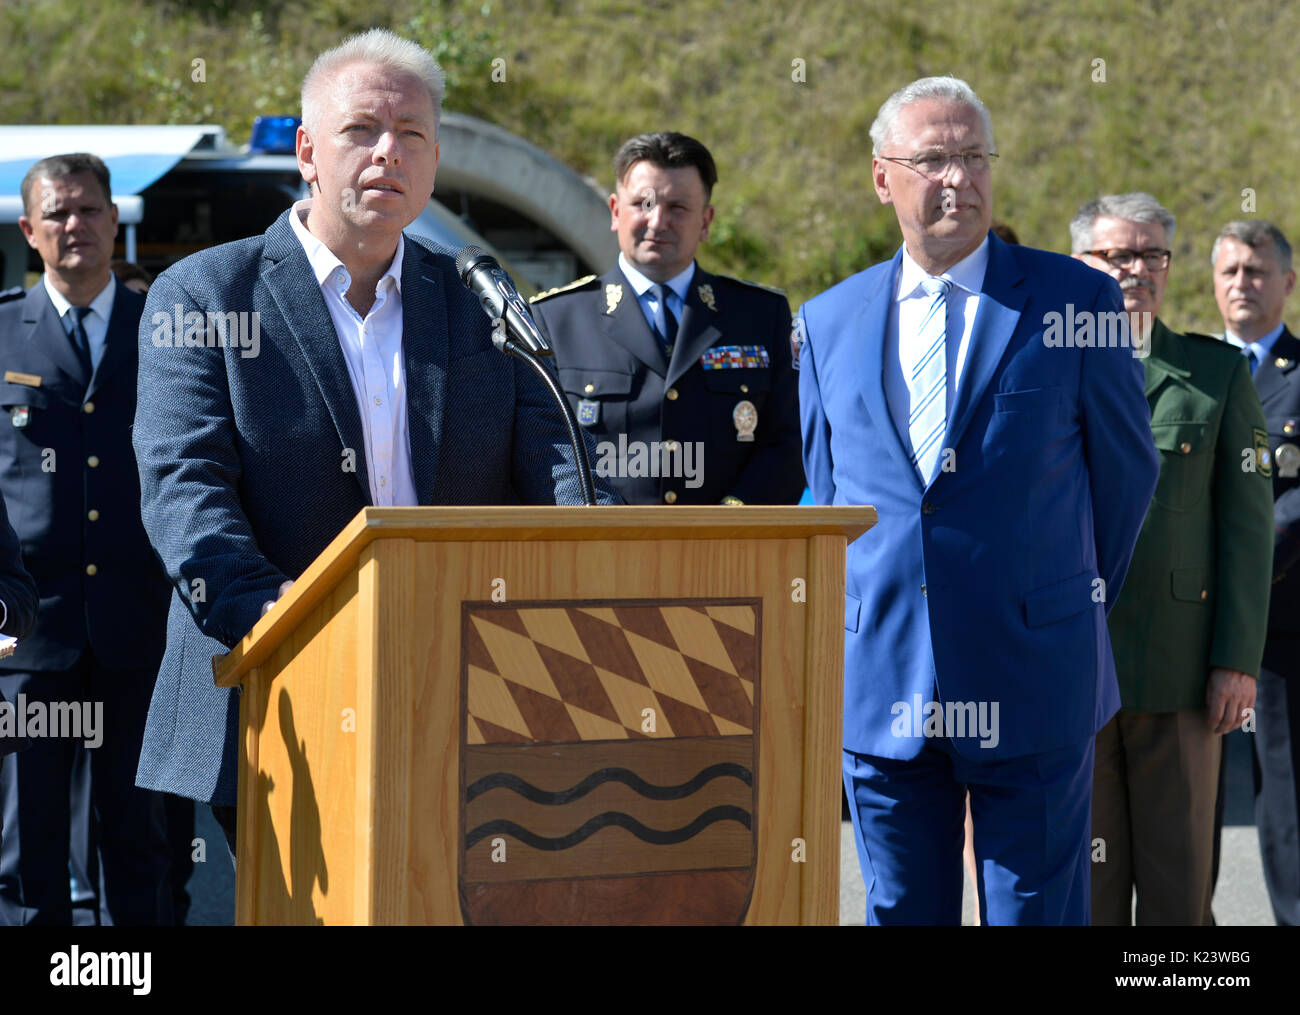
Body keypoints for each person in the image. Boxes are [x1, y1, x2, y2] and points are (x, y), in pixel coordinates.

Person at [132, 29, 617, 856]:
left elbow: (561, 465)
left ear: (433, 164)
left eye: (413, 136)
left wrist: (604, 573)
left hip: (470, 689)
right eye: (362, 131)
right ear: (308, 151)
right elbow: (186, 487)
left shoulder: (481, 296)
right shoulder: (208, 293)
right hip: (276, 689)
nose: (388, 153)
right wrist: (278, 618)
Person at [798, 76, 1158, 925]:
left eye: (973, 156)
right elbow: (830, 496)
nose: (958, 178)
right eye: (933, 159)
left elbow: (1125, 477)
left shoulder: (1078, 301)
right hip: (883, 682)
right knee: (901, 912)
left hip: (1034, 674)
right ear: (883, 177)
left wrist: (1059, 598)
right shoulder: (826, 321)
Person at [1071, 194, 1272, 925]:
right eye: (1117, 254)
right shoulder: (1040, 367)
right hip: (1069, 668)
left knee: (1178, 891)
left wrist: (1237, 659)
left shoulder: (1212, 376)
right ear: (1078, 263)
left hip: (1179, 670)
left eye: (1152, 254)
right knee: (1084, 892)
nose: (1137, 270)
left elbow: (1248, 532)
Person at [0, 153, 173, 925]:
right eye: (59, 213)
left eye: (90, 209)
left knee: (142, 839)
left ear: (114, 217)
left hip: (140, 631)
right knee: (25, 848)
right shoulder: (4, 331)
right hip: (30, 635)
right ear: (30, 230)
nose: (77, 225)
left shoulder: (168, 331)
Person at [530, 132, 802, 505]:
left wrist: (730, 523)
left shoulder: (760, 315)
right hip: (606, 549)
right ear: (615, 211)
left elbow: (788, 442)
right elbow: (543, 448)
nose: (658, 222)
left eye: (678, 207)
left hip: (730, 549)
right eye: (643, 203)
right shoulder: (556, 320)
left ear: (706, 221)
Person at [1212, 219, 1300, 925]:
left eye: (1258, 270)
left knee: (1285, 793)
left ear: (1287, 283)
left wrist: (1239, 561)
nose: (1243, 283)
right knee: (1187, 797)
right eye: (1231, 271)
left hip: (1280, 625)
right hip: (1190, 619)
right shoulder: (1197, 369)